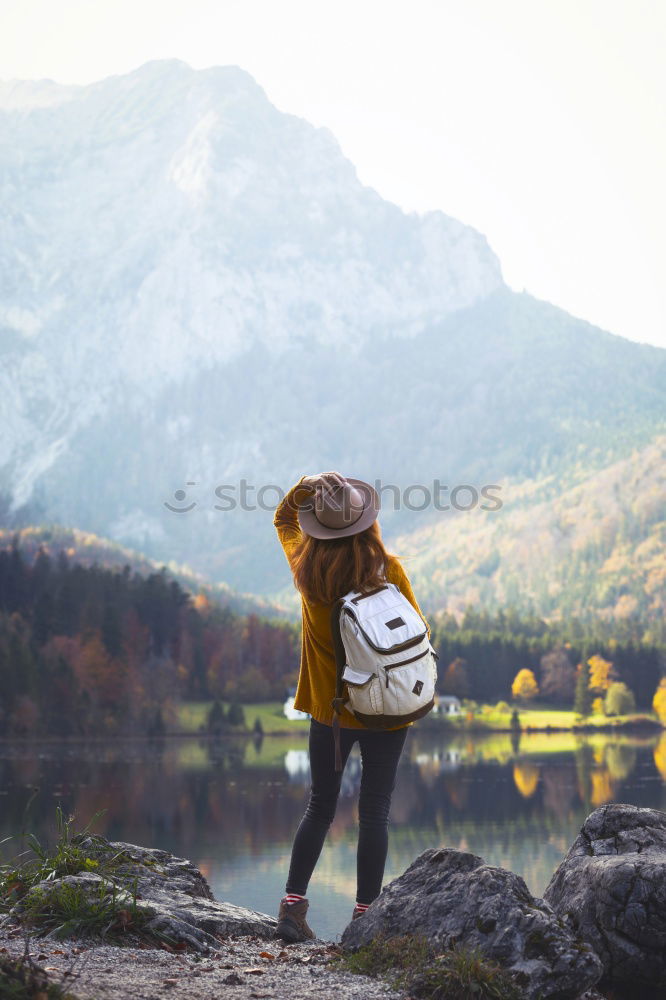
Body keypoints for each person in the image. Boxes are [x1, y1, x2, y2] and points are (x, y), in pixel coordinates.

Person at [273, 470, 431, 942]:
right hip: (388, 710)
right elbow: (414, 630)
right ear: (366, 524)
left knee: (320, 805)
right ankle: (365, 918)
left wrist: (308, 483)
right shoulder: (389, 571)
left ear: (318, 529)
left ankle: (291, 907)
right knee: (375, 810)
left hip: (332, 713)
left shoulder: (307, 573)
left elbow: (282, 517)